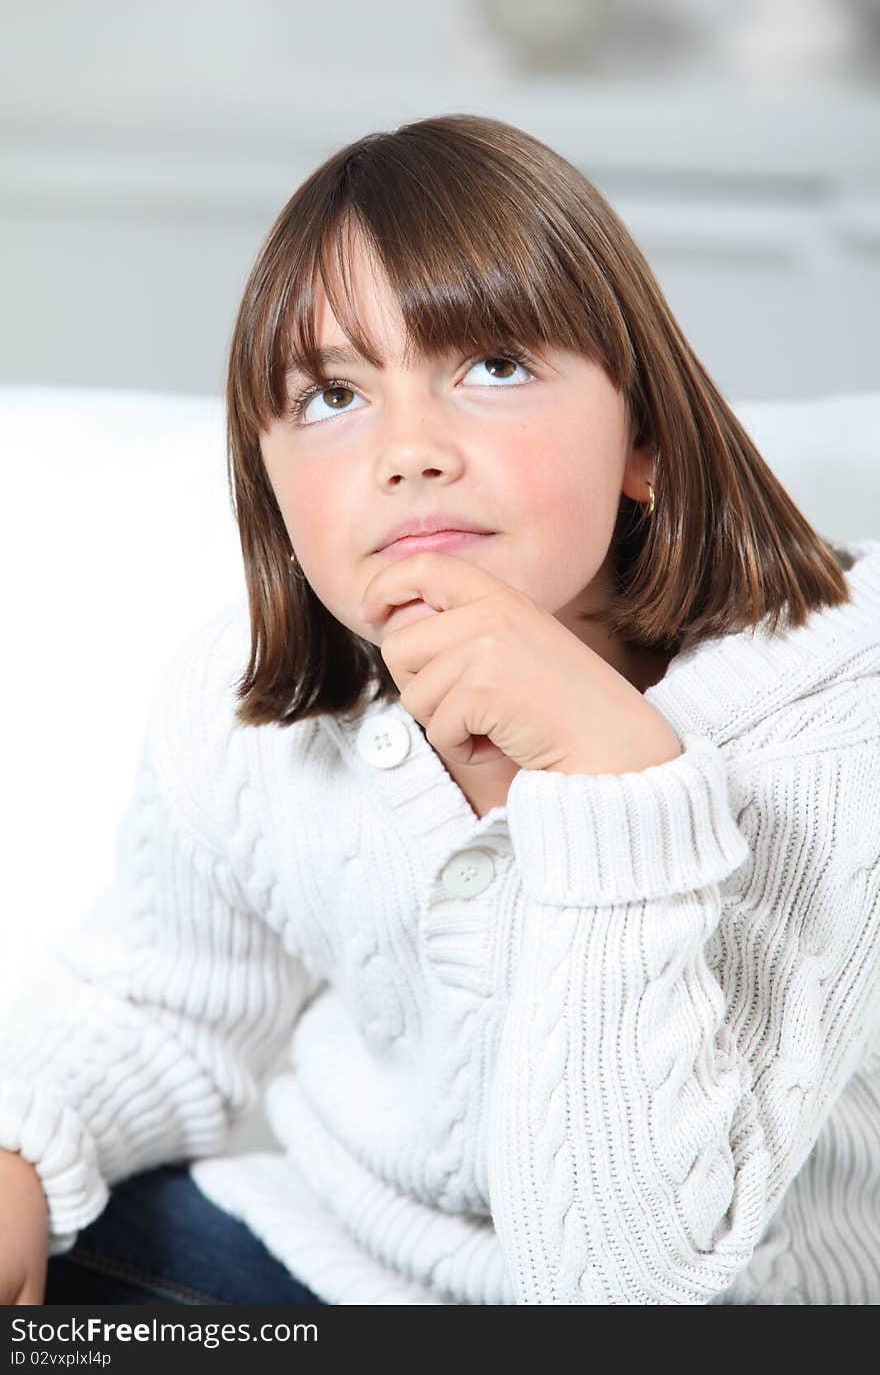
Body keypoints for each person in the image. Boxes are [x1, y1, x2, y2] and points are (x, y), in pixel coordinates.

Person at [1, 112, 879, 1307]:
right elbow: (161, 1005)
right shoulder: (247, 700)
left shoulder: (833, 718)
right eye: (329, 396)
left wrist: (615, 782)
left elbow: (623, 1285)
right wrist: (21, 1162)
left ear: (648, 442)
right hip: (332, 1267)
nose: (408, 450)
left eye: (494, 366)